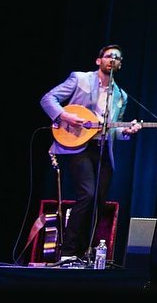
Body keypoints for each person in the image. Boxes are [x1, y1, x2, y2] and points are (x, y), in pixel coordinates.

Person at [40, 44, 140, 265]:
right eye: (108, 56)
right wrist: (65, 116)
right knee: (87, 193)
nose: (112, 59)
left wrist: (127, 131)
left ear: (120, 64)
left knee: (99, 201)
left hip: (103, 149)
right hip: (78, 145)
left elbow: (114, 131)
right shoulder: (80, 79)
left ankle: (85, 252)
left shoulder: (121, 96)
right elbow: (48, 99)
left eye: (117, 58)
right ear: (99, 61)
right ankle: (68, 251)